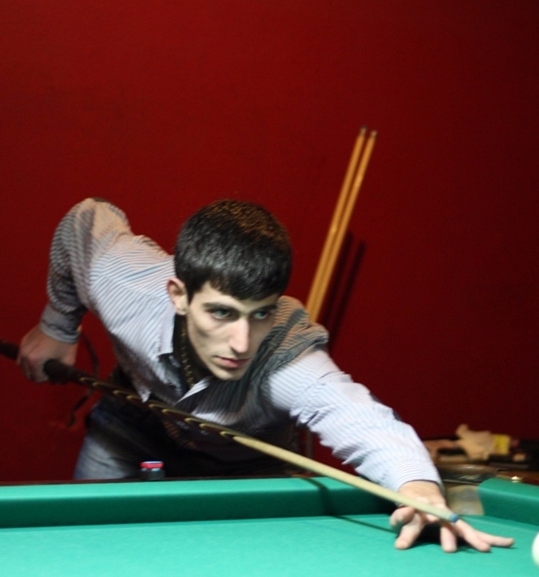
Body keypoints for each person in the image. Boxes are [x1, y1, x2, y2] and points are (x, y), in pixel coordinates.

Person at [19, 197, 513, 555]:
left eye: (260, 314)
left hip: (250, 462)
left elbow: (355, 414)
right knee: (88, 550)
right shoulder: (124, 283)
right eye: (221, 313)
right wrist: (57, 327)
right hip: (133, 430)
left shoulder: (285, 357)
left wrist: (418, 486)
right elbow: (85, 219)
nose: (241, 343)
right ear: (179, 295)